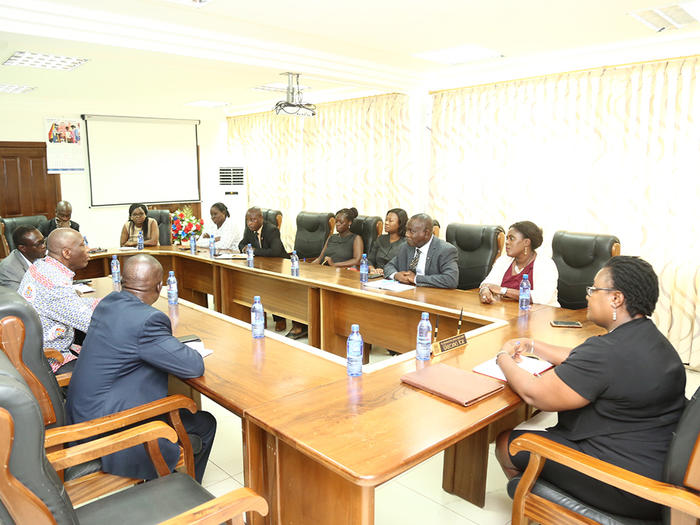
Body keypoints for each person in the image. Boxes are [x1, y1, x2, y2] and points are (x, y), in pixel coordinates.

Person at [494, 256, 686, 520]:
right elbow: (583, 357)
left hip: (628, 484)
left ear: (616, 299)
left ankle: (545, 511)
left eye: (594, 290)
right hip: (660, 469)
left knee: (508, 444)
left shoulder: (607, 353)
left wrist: (502, 357)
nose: (588, 296)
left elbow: (534, 393)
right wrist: (532, 346)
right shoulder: (651, 339)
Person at [66, 254, 216, 483]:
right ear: (159, 286)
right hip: (110, 431)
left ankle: (168, 481)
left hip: (83, 415)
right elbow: (194, 366)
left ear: (123, 281)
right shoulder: (148, 320)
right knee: (204, 424)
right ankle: (183, 493)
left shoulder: (108, 303)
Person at [18, 228, 96, 373]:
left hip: (35, 349)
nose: (88, 249)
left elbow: (70, 303)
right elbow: (95, 324)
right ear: (66, 253)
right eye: (82, 245)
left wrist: (102, 302)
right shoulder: (55, 284)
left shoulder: (41, 265)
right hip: (52, 358)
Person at [479, 220, 559, 306]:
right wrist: (485, 290)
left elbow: (541, 297)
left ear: (526, 242)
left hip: (541, 314)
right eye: (507, 238)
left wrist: (503, 290)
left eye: (511, 238)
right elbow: (488, 282)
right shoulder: (505, 260)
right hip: (509, 313)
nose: (507, 242)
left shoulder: (545, 264)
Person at [238, 206, 288, 331]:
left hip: (280, 264)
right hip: (262, 264)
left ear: (261, 218)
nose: (250, 223)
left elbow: (276, 251)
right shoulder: (249, 229)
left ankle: (280, 319)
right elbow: (242, 243)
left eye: (253, 220)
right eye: (248, 220)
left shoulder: (272, 230)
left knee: (273, 287)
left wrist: (255, 251)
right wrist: (244, 248)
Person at [383, 213, 458, 288]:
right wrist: (396, 275)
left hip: (432, 295)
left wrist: (416, 279)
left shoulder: (445, 250)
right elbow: (389, 266)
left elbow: (451, 279)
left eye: (411, 231)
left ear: (426, 233)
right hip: (407, 293)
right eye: (407, 230)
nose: (407, 234)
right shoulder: (406, 246)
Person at [367, 208, 408, 274]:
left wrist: (386, 272)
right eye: (386, 220)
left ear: (400, 224)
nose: (386, 223)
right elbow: (369, 260)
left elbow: (404, 267)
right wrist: (372, 269)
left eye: (390, 221)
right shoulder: (380, 239)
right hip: (376, 276)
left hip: (394, 278)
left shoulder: (406, 243)